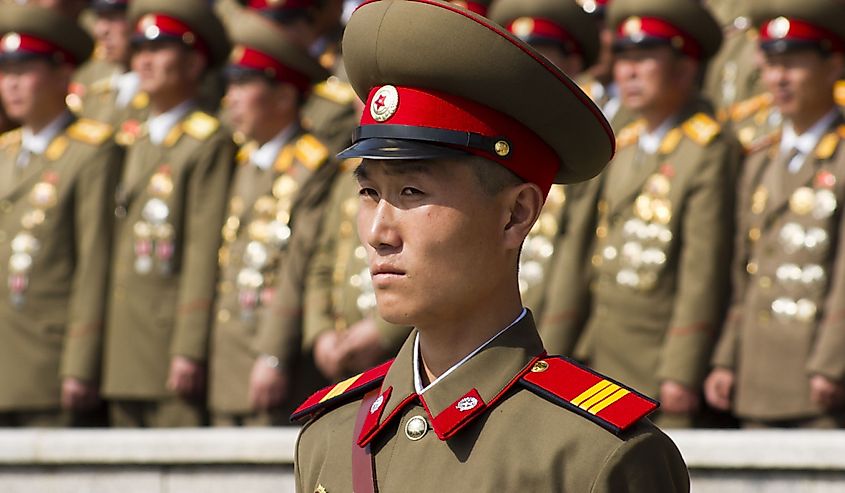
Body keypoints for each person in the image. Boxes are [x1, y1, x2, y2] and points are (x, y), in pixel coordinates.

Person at [292, 1, 689, 491]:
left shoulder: (592, 457)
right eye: (369, 192)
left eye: (412, 192)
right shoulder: (330, 438)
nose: (378, 231)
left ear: (515, 214)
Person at [539, 0, 742, 428]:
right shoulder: (623, 144)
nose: (627, 71)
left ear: (686, 69)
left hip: (658, 363)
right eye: (624, 58)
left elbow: (702, 269)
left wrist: (681, 369)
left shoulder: (707, 150)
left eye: (645, 58)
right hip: (602, 353)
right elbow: (583, 252)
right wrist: (556, 349)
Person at [705, 0, 845, 429]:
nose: (778, 79)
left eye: (795, 64)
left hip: (816, 374)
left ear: (834, 65)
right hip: (758, 372)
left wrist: (832, 363)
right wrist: (728, 358)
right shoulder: (760, 160)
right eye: (770, 65)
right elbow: (744, 271)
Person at [101, 0, 236, 428]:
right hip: (122, 340)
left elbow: (202, 248)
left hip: (167, 344)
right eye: (139, 47)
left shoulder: (206, 140)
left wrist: (188, 347)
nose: (144, 59)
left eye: (159, 49)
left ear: (195, 62)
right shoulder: (130, 137)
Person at [208, 11, 338, 427]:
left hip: (269, 357)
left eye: (244, 85)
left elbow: (297, 266)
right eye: (231, 84)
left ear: (284, 97)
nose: (231, 97)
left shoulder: (311, 166)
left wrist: (273, 353)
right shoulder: (245, 161)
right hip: (228, 354)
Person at [0, 4, 122, 426]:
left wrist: (80, 362)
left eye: (24, 71)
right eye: (5, 72)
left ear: (60, 73)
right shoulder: (5, 152)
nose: (11, 84)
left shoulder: (91, 151)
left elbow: (93, 261)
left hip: (48, 362)